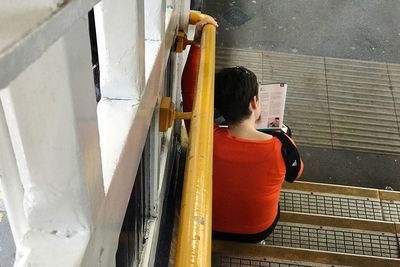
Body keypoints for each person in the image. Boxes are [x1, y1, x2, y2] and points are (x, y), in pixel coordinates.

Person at [181, 18, 303, 243]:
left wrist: (196, 43)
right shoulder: (282, 147)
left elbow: (188, 91)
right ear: (255, 103)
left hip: (207, 225)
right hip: (258, 231)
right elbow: (296, 174)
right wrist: (283, 135)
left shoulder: (204, 136)